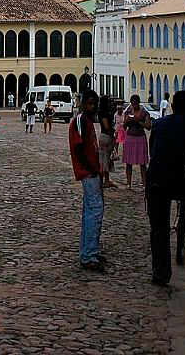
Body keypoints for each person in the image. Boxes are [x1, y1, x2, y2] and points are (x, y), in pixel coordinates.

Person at [145, 91, 185, 286]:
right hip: (176, 180)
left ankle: (160, 274)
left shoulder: (159, 124)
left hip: (154, 181)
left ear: (172, 105)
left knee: (159, 229)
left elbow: (152, 151)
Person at [68, 90, 104, 272]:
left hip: (92, 173)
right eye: (90, 103)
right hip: (89, 174)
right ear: (82, 103)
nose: (93, 107)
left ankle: (89, 251)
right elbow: (79, 147)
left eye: (94, 103)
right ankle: (89, 254)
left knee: (90, 212)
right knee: (95, 212)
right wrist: (90, 170)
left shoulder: (87, 121)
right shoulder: (81, 121)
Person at [123, 94, 151, 189]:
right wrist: (127, 121)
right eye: (132, 104)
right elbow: (124, 126)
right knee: (128, 162)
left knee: (142, 163)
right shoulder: (128, 112)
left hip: (140, 137)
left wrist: (139, 121)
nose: (134, 106)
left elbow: (148, 127)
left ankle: (144, 183)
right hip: (130, 137)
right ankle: (128, 182)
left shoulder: (144, 113)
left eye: (135, 104)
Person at [97, 95, 117, 189]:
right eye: (109, 101)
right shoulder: (104, 114)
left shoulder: (106, 112)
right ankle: (104, 180)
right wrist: (112, 135)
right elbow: (107, 127)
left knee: (106, 158)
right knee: (104, 159)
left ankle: (107, 179)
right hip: (105, 136)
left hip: (105, 136)